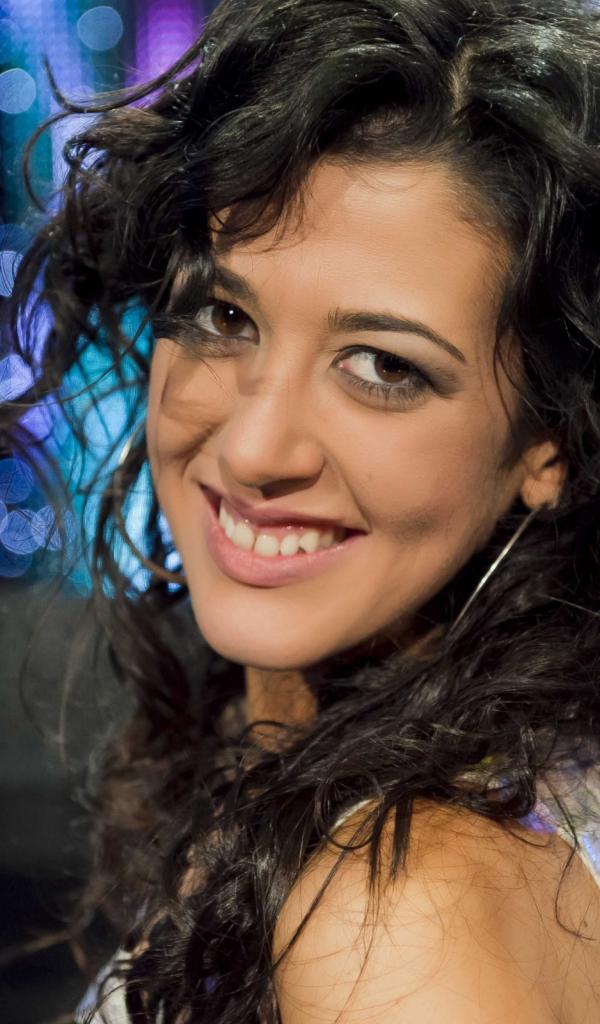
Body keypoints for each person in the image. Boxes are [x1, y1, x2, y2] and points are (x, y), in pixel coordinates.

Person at [5, 0, 600, 1020]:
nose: (253, 447)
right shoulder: (346, 775)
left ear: (548, 446)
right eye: (223, 315)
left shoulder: (400, 915)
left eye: (382, 368)